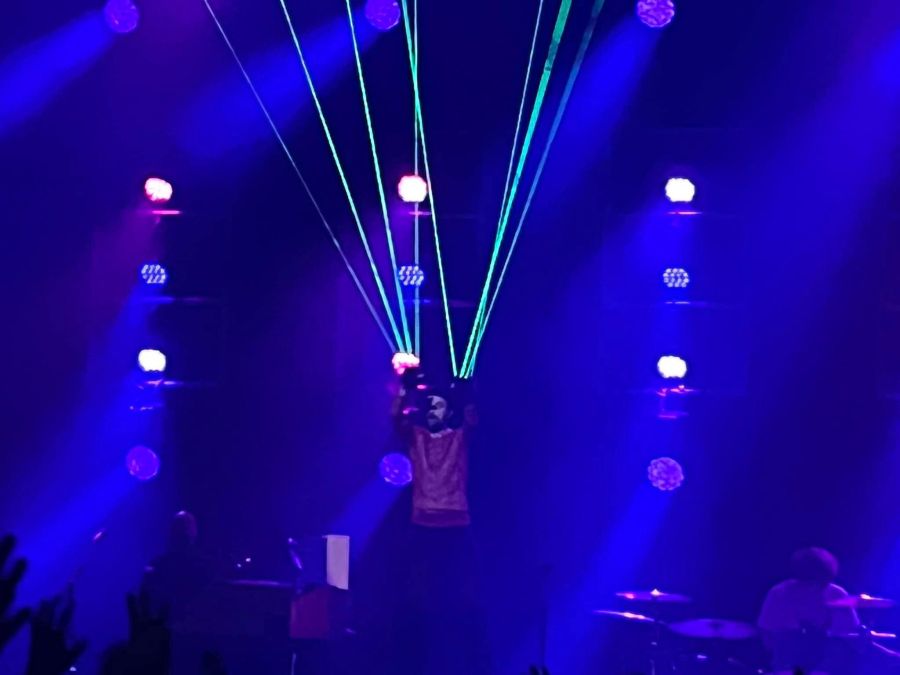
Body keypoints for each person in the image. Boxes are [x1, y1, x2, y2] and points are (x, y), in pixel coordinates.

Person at [392, 370, 487, 674]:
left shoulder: (457, 437)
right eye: (430, 405)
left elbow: (472, 420)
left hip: (454, 521)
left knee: (460, 595)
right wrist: (404, 391)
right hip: (423, 521)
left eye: (438, 406)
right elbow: (396, 421)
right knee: (419, 595)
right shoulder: (417, 436)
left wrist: (467, 394)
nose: (433, 410)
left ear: (448, 413)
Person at [758, 547, 862, 673]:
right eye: (809, 582)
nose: (813, 588)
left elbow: (849, 632)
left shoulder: (836, 594)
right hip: (787, 663)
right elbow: (766, 632)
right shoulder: (779, 593)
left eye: (819, 583)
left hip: (826, 665)